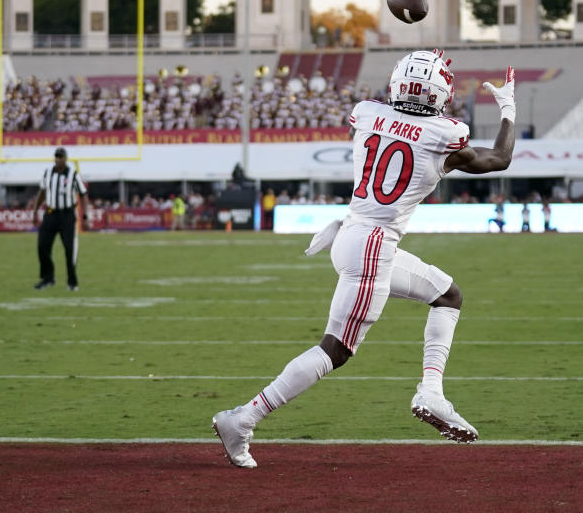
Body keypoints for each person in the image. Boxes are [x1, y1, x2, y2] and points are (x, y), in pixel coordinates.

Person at [212, 51, 518, 468]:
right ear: (441, 92)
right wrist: (507, 109)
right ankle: (243, 419)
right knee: (335, 349)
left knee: (447, 294)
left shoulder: (366, 113)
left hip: (353, 232)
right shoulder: (444, 135)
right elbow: (498, 158)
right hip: (373, 244)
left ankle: (432, 391)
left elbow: (394, 133)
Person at [32, 147, 90, 291]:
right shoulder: (48, 173)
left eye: (61, 157)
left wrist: (85, 216)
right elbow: (43, 192)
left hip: (67, 215)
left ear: (66, 158)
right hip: (50, 214)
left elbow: (83, 194)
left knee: (70, 249)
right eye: (56, 156)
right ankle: (48, 278)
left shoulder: (73, 174)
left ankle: (72, 282)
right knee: (42, 246)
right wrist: (35, 210)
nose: (58, 159)